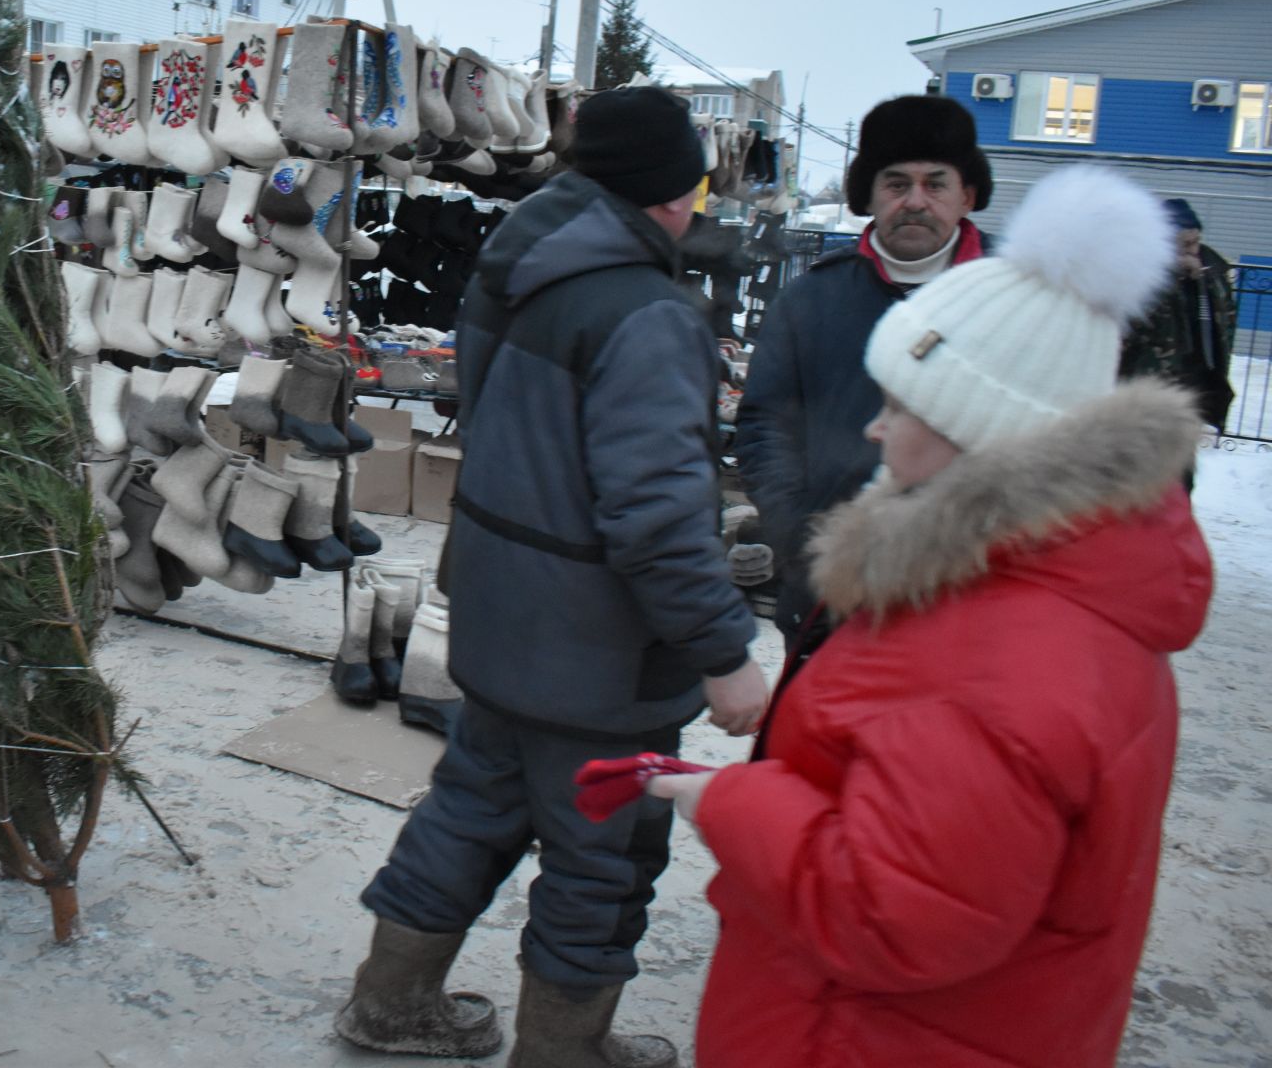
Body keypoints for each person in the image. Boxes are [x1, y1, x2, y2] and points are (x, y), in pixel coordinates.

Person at [647, 165, 1212, 1068]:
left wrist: (732, 800)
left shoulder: (998, 659)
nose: (873, 429)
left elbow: (895, 916)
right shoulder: (1014, 587)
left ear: (980, 428)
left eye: (900, 404)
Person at [333, 87, 769, 1068]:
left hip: (496, 613)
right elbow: (654, 515)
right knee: (602, 859)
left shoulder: (516, 263)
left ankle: (389, 1001)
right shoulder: (650, 315)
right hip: (600, 656)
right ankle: (563, 1050)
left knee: (472, 807)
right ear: (668, 192)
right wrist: (723, 650)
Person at [734, 95, 991, 651]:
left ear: (967, 194)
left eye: (935, 183)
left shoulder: (1015, 299)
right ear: (869, 194)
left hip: (978, 603)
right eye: (896, 183)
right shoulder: (812, 299)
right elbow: (763, 428)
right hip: (831, 599)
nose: (915, 201)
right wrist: (805, 542)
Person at [1120, 197, 1235, 435]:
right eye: (1184, 243)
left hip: (1196, 382)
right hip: (1147, 385)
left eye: (1196, 241)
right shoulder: (1142, 277)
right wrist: (1172, 273)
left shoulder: (1213, 274)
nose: (1193, 250)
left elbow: (1224, 328)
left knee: (1179, 461)